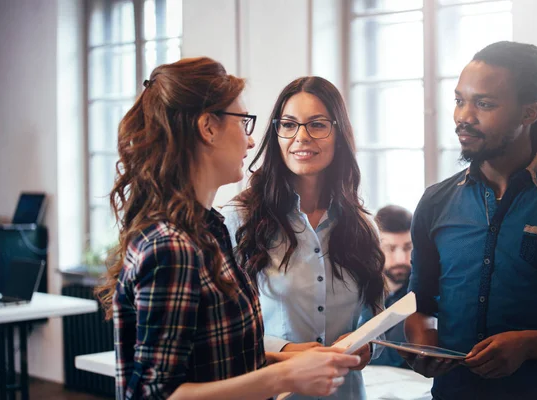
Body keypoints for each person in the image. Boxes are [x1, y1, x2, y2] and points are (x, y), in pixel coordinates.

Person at [95, 58, 361, 400]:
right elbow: (153, 395)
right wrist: (283, 376)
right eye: (243, 123)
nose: (252, 143)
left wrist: (288, 359)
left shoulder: (210, 230)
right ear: (208, 128)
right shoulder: (171, 247)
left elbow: (220, 356)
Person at [404, 41, 537, 400]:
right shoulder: (435, 203)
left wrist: (534, 345)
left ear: (529, 113)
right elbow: (420, 308)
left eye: (484, 104)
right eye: (459, 100)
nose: (464, 116)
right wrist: (423, 341)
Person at [222, 76, 386, 399]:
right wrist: (286, 350)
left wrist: (368, 346)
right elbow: (225, 331)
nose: (301, 137)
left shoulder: (363, 226)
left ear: (339, 134)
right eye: (289, 125)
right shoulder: (239, 219)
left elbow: (376, 319)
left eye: (317, 125)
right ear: (277, 133)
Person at [359, 205, 413, 368]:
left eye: (408, 247)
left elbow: (390, 356)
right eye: (390, 248)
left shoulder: (421, 294)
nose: (401, 259)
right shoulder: (359, 289)